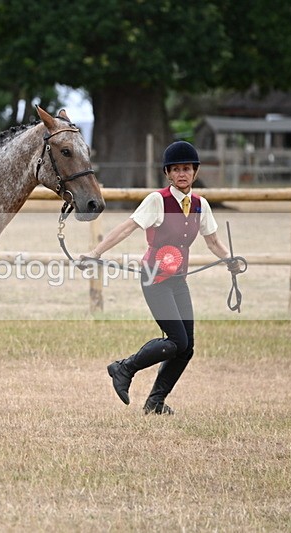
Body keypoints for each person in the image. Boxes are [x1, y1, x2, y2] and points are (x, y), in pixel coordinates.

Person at [81, 141, 238, 415]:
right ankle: (124, 367)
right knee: (176, 341)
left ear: (195, 172)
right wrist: (95, 252)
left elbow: (212, 241)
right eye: (176, 169)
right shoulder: (158, 201)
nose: (182, 174)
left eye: (186, 169)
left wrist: (230, 260)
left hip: (178, 281)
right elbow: (127, 227)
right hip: (154, 279)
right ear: (167, 173)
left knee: (186, 347)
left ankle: (155, 402)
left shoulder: (200, 205)